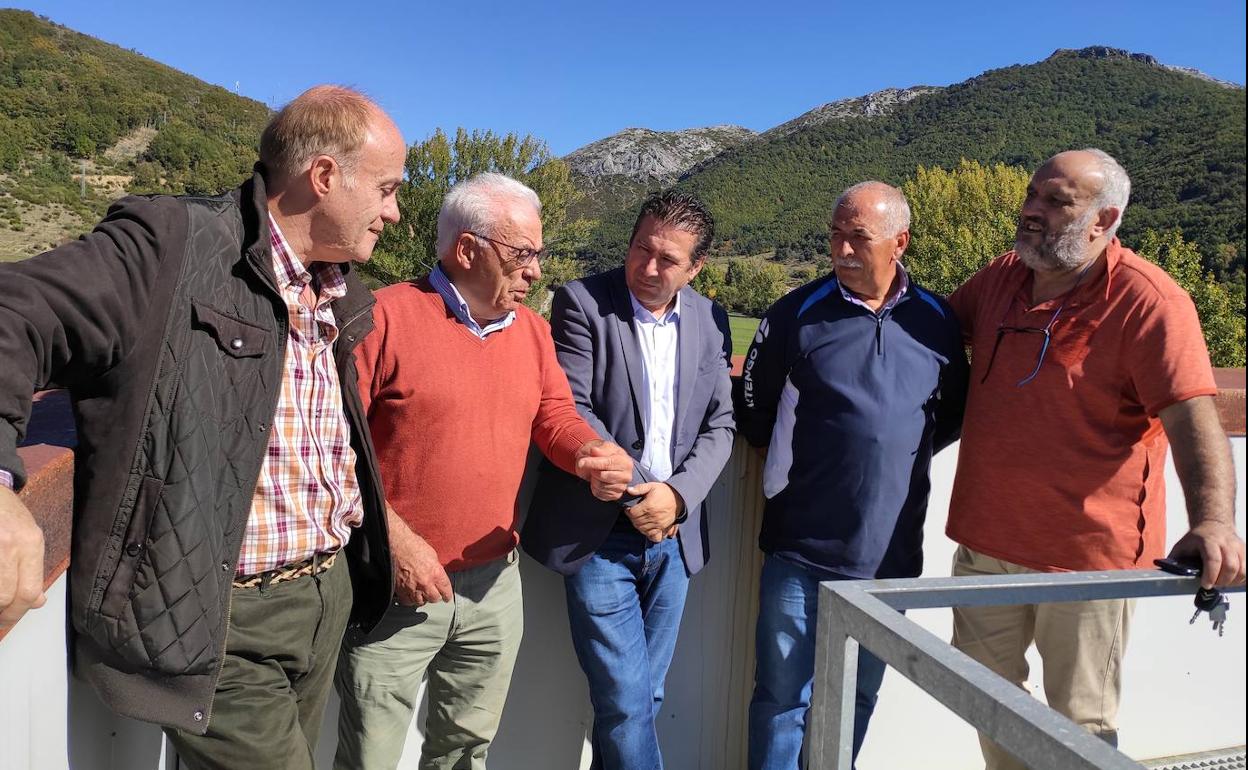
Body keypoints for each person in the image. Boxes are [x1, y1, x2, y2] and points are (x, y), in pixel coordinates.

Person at [0, 85, 403, 768]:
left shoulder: (333, 288)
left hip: (324, 597)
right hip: (220, 617)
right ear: (325, 176)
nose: (394, 213)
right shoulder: (171, 246)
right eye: (388, 189)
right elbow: (13, 310)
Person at [946, 148, 1246, 769]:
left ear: (1104, 219)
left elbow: (1193, 418)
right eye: (1033, 195)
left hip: (1086, 561)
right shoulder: (1001, 277)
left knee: (1078, 723)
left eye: (1056, 202)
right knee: (980, 697)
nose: (1032, 211)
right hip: (985, 546)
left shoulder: (1148, 301)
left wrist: (1214, 521)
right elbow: (926, 336)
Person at [333, 172, 634, 770]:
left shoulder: (532, 331)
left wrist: (586, 453)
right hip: (394, 586)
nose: (536, 271)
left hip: (494, 586)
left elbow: (554, 414)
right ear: (467, 249)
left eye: (537, 255)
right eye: (522, 254)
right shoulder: (382, 319)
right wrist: (395, 542)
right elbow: (335, 447)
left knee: (467, 752)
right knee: (369, 757)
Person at [738, 181, 967, 769]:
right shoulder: (796, 313)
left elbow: (949, 418)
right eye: (835, 234)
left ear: (900, 242)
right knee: (781, 699)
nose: (840, 249)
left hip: (887, 561)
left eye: (857, 238)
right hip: (799, 551)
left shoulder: (937, 321)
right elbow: (755, 414)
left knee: (858, 697)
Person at [522, 190, 736, 769]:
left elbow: (721, 423)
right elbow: (574, 407)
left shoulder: (711, 319)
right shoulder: (582, 302)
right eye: (641, 248)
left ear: (695, 269)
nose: (647, 267)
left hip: (674, 535)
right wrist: (647, 490)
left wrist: (677, 497)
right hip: (598, 536)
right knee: (625, 700)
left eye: (668, 260)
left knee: (643, 698)